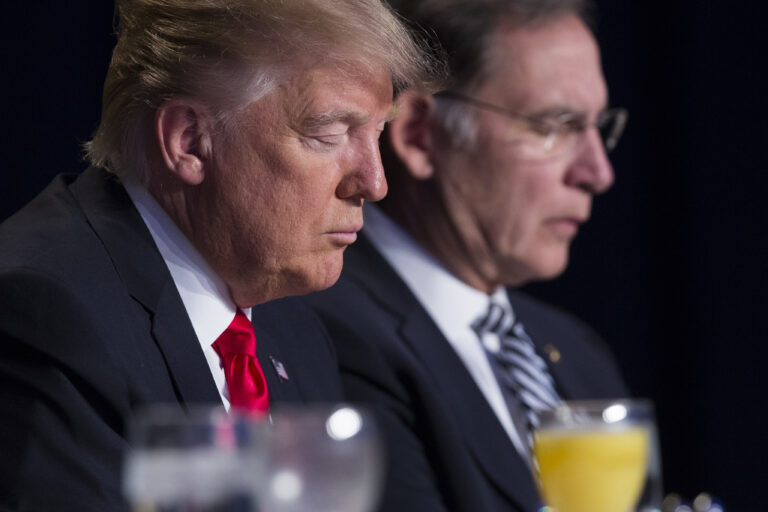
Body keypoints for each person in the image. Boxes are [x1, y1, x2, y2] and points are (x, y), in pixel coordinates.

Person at [0, 0, 435, 510]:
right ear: (189, 142)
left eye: (377, 135)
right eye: (330, 134)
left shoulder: (295, 327)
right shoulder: (46, 319)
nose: (375, 183)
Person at [303, 0, 630, 510]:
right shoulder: (327, 336)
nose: (597, 172)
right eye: (555, 126)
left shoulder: (579, 352)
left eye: (598, 127)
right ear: (419, 135)